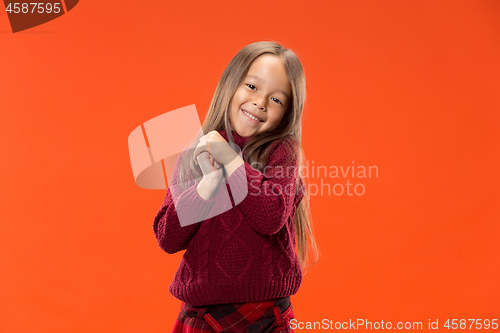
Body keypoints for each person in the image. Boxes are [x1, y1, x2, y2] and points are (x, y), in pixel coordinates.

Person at [153, 41, 320, 333]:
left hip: (266, 315)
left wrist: (231, 161)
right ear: (231, 84)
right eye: (252, 87)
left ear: (287, 113)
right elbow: (167, 238)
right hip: (203, 316)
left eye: (277, 100)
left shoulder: (283, 152)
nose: (260, 103)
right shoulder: (196, 153)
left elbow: (270, 217)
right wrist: (208, 184)